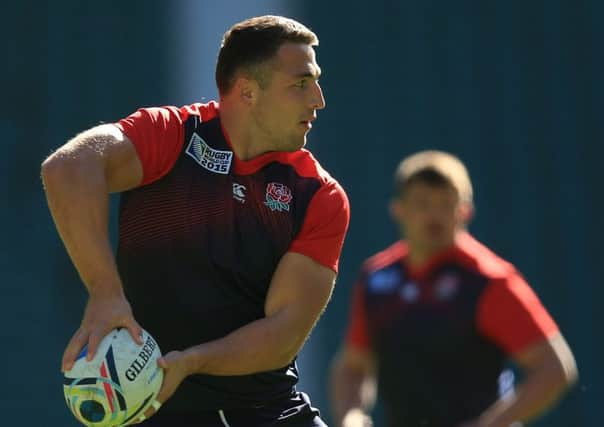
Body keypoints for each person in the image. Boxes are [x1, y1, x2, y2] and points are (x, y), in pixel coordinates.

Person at [42, 15, 349, 427]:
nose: (318, 99)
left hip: (265, 411)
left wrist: (191, 362)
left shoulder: (319, 195)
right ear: (247, 92)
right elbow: (68, 167)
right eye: (300, 83)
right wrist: (105, 293)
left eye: (316, 81)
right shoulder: (174, 135)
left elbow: (282, 334)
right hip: (154, 412)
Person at [329, 150, 577, 427]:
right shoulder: (377, 279)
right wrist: (351, 417)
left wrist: (489, 425)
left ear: (465, 211)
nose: (434, 216)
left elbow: (554, 369)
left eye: (446, 204)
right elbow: (353, 365)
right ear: (399, 210)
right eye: (422, 204)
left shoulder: (488, 280)